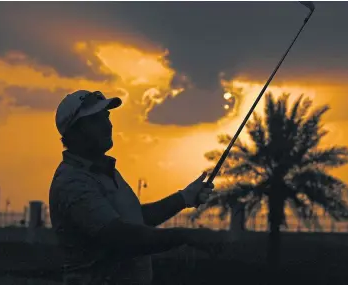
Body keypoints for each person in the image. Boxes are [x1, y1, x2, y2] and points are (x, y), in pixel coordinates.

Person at [49, 90, 228, 285]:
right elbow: (120, 236)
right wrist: (184, 235)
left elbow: (136, 219)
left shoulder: (106, 172)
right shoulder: (72, 182)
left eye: (106, 117)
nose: (107, 125)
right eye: (95, 120)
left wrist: (184, 198)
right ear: (75, 132)